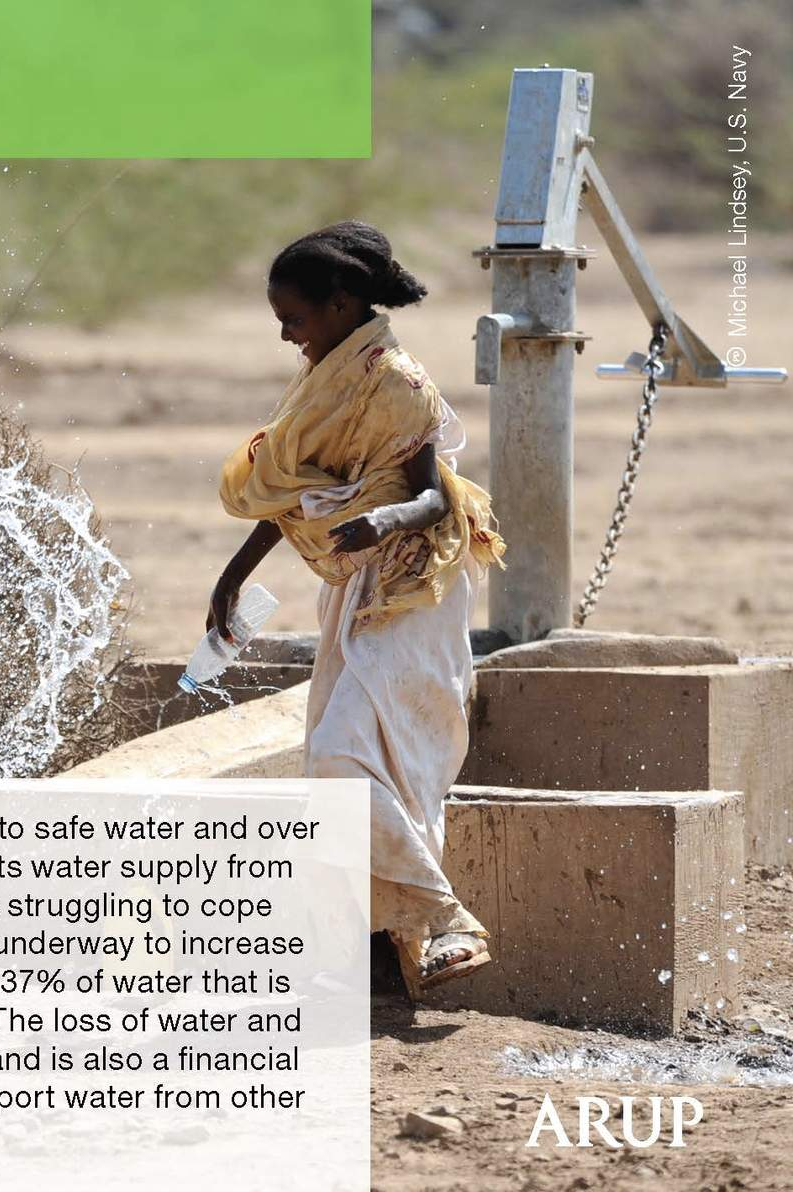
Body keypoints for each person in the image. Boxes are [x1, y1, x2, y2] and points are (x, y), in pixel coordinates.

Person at [209, 221, 506, 998]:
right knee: (373, 769)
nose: (285, 334)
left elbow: (432, 495)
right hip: (351, 584)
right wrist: (234, 575)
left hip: (413, 584)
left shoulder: (396, 380)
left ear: (342, 304)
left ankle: (447, 919)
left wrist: (383, 521)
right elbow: (299, 491)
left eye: (294, 318)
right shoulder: (323, 376)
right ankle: (397, 957)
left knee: (348, 757)